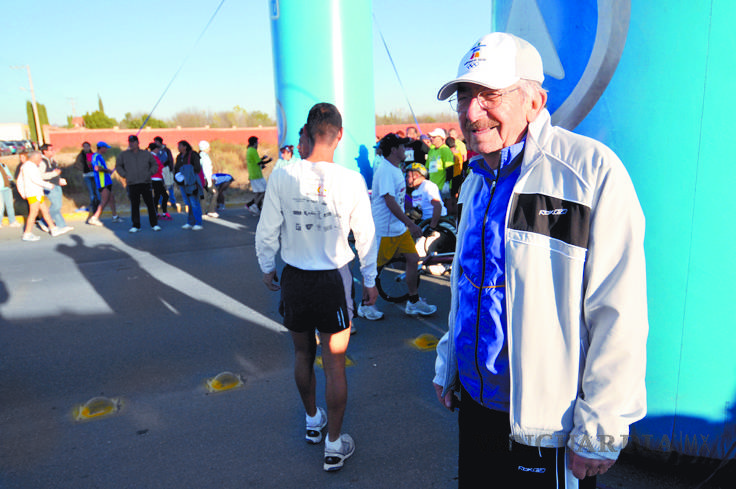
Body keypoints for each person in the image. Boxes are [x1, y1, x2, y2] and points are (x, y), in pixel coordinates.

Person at [432, 32, 648, 488]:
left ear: (535, 101)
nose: (471, 113)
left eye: (489, 95)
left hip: (547, 428)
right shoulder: (476, 180)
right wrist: (448, 361)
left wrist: (601, 428)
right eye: (464, 96)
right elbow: (468, 285)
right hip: (476, 411)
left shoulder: (589, 173)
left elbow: (619, 312)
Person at [255, 102, 378, 472]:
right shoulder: (352, 180)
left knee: (302, 355)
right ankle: (334, 443)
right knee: (335, 365)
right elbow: (366, 236)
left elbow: (266, 231)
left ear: (307, 133)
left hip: (294, 278)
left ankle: (312, 420)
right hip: (333, 281)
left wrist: (266, 267)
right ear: (339, 136)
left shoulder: (282, 175)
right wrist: (370, 280)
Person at [359, 133, 437, 320]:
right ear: (393, 150)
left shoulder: (396, 168)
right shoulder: (385, 170)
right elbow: (389, 201)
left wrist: (411, 208)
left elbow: (399, 198)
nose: (405, 149)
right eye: (402, 147)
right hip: (384, 231)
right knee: (372, 270)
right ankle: (365, 305)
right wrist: (410, 223)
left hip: (398, 230)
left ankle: (413, 301)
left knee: (412, 259)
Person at [16, 151, 69, 241]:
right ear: (33, 157)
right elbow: (35, 180)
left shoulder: (31, 166)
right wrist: (48, 185)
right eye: (39, 158)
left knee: (45, 211)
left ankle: (53, 229)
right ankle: (27, 233)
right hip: (33, 193)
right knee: (33, 213)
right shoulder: (28, 166)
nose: (40, 160)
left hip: (37, 193)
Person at [115, 135, 161, 233]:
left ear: (137, 143)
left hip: (145, 182)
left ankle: (154, 224)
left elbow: (154, 164)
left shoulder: (146, 154)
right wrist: (124, 174)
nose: (131, 144)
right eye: (130, 142)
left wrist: (149, 173)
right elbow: (118, 166)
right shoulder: (124, 155)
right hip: (132, 183)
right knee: (135, 205)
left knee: (150, 204)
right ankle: (136, 225)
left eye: (133, 142)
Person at [39, 144, 73, 234]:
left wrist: (59, 179)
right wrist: (54, 174)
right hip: (49, 185)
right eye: (51, 150)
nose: (53, 151)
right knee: (56, 205)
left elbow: (56, 172)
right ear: (45, 151)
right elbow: (40, 175)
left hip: (56, 184)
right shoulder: (42, 162)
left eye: (53, 149)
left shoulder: (52, 160)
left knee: (57, 205)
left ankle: (61, 225)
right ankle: (43, 221)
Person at [87, 142, 120, 226]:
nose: (106, 150)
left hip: (106, 181)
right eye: (105, 148)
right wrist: (107, 170)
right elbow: (97, 168)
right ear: (101, 148)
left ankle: (115, 216)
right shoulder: (96, 156)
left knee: (111, 198)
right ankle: (94, 218)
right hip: (102, 182)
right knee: (104, 200)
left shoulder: (99, 156)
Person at [174, 140, 203, 230]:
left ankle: (198, 222)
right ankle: (190, 222)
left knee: (194, 202)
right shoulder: (179, 157)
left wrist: (187, 171)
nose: (178, 148)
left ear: (185, 147)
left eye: (180, 146)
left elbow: (197, 168)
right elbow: (176, 169)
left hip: (191, 183)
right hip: (182, 183)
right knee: (188, 203)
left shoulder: (193, 155)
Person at [244, 136, 272, 216]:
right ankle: (254, 206)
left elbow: (256, 161)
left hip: (255, 174)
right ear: (254, 143)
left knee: (258, 192)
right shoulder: (252, 150)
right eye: (257, 142)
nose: (258, 144)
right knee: (264, 191)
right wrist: (268, 161)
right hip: (256, 175)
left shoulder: (250, 150)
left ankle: (253, 206)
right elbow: (259, 163)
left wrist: (263, 159)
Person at [425, 128, 455, 198]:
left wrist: (447, 182)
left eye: (434, 137)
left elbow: (450, 168)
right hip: (432, 187)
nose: (431, 139)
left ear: (441, 138)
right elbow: (427, 168)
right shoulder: (431, 151)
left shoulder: (445, 150)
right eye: (431, 137)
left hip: (442, 187)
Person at [73, 141, 100, 217]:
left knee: (97, 190)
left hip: (94, 174)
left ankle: (99, 205)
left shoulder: (93, 154)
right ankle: (93, 205)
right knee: (91, 191)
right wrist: (84, 168)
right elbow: (77, 164)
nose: (86, 148)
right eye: (84, 146)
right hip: (86, 175)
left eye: (87, 146)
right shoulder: (81, 156)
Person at [154, 136, 178, 211]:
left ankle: (173, 202)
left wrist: (171, 169)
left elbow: (170, 159)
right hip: (158, 171)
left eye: (157, 142)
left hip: (166, 170)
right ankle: (161, 203)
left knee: (170, 187)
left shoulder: (166, 150)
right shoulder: (155, 151)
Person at [148, 142, 170, 220]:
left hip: (158, 178)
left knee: (157, 196)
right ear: (155, 149)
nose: (158, 150)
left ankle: (156, 213)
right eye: (157, 148)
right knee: (165, 195)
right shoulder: (152, 157)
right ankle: (164, 212)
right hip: (155, 178)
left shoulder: (154, 156)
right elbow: (155, 167)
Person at [198, 140, 219, 218]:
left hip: (201, 179)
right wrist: (210, 182)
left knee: (204, 195)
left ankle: (202, 212)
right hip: (206, 179)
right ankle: (211, 210)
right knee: (215, 193)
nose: (210, 148)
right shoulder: (205, 157)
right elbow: (206, 170)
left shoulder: (200, 155)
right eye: (208, 147)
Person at [0, 159, 21, 228]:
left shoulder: (3, 165)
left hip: (7, 188)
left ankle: (12, 221)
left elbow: (10, 176)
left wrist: (9, 177)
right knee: (1, 207)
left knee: (10, 205)